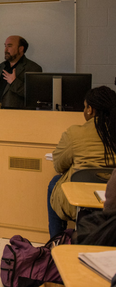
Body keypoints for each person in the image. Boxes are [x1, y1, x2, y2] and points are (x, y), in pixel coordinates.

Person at [47, 85, 116, 237]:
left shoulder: (75, 133)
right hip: (112, 200)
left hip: (80, 202)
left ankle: (56, 240)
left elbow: (58, 165)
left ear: (90, 110)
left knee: (54, 183)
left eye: (85, 107)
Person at [0, 35, 42, 109]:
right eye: (5, 46)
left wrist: (14, 82)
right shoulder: (1, 67)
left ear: (20, 49)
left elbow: (34, 95)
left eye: (9, 46)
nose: (6, 50)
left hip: (19, 117)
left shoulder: (33, 68)